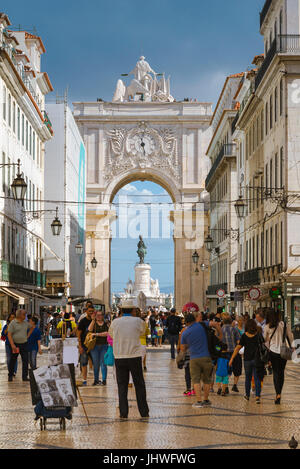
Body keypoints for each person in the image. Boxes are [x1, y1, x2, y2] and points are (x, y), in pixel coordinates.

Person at [108, 307, 149, 419]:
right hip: (134, 355)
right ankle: (144, 411)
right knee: (139, 384)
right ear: (132, 311)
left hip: (120, 356)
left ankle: (123, 412)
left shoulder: (115, 322)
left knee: (122, 385)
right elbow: (143, 331)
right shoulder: (138, 321)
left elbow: (111, 334)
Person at [180, 313, 213, 408]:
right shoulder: (201, 325)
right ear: (194, 319)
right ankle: (206, 400)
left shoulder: (185, 332)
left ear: (186, 322)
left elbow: (183, 349)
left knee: (196, 380)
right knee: (207, 380)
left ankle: (199, 401)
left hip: (194, 358)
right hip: (206, 356)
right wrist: (220, 335)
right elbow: (215, 324)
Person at [264, 309, 294, 404]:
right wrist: (292, 347)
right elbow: (290, 336)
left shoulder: (268, 326)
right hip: (283, 351)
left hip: (273, 352)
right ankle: (279, 392)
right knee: (281, 372)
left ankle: (278, 394)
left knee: (276, 373)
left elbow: (265, 340)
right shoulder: (284, 324)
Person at [229, 319, 263, 404]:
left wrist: (232, 358)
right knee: (257, 378)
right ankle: (257, 397)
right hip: (257, 359)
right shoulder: (258, 335)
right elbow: (264, 345)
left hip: (247, 360)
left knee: (248, 378)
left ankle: (247, 395)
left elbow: (238, 347)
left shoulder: (244, 335)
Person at [7, 309, 30, 382]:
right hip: (15, 344)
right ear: (20, 315)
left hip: (24, 344)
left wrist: (27, 336)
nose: (25, 316)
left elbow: (32, 327)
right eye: (24, 314)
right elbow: (9, 335)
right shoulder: (13, 323)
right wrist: (12, 345)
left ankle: (25, 376)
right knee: (13, 360)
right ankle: (10, 375)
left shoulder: (25, 323)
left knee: (25, 360)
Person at [221, 314, 242, 393]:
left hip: (224, 354)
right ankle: (235, 385)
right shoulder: (235, 329)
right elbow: (239, 342)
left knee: (226, 370)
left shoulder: (220, 329)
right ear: (231, 321)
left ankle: (225, 387)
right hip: (234, 353)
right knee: (237, 369)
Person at [88, 311, 109, 386]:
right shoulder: (94, 323)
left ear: (103, 316)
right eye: (97, 315)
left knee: (103, 363)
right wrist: (93, 320)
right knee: (96, 364)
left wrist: (96, 334)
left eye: (100, 315)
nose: (99, 316)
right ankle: (96, 380)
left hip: (104, 346)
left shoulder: (106, 323)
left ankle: (104, 380)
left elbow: (108, 333)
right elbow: (90, 329)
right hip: (94, 347)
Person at [77, 306, 94, 385]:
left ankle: (96, 379)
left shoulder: (95, 321)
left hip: (93, 345)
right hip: (84, 345)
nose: (91, 313)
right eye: (89, 311)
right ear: (86, 311)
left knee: (95, 362)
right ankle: (84, 379)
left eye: (92, 311)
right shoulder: (83, 321)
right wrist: (80, 345)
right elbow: (79, 333)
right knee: (83, 363)